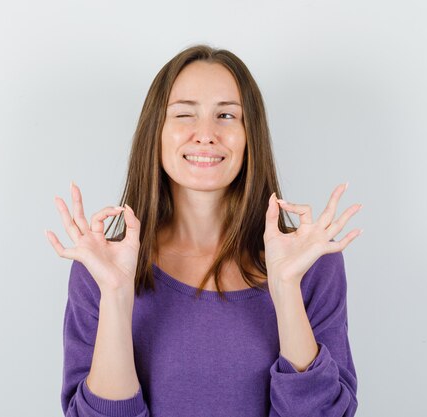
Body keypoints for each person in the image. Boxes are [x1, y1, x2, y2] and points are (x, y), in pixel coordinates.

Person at [45, 44, 362, 417]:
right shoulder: (101, 266)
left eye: (226, 115)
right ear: (156, 132)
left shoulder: (311, 263)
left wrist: (286, 287)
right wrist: (116, 293)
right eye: (184, 114)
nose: (206, 134)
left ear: (250, 136)